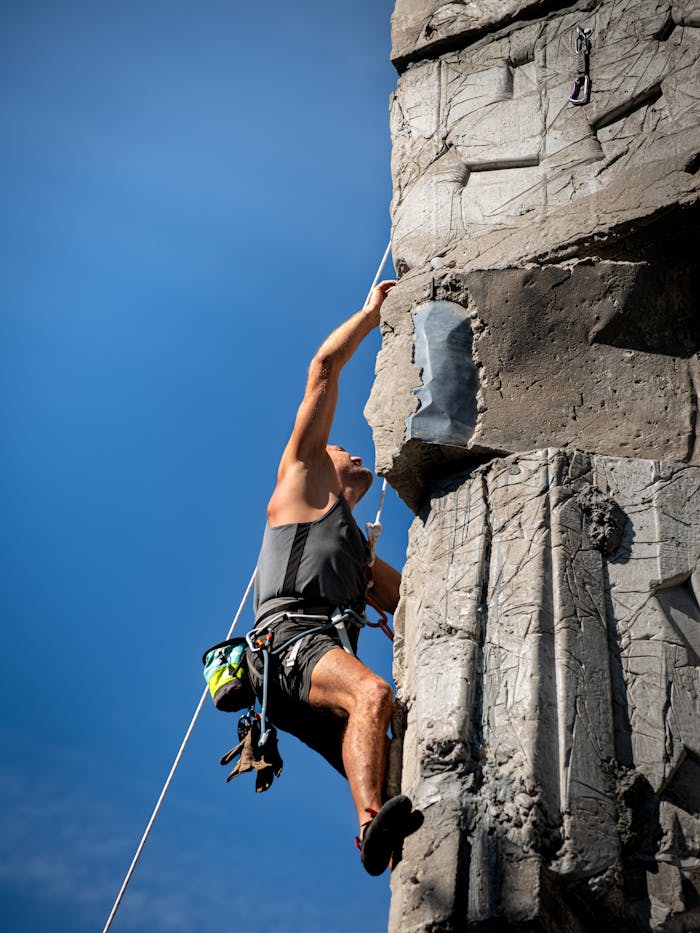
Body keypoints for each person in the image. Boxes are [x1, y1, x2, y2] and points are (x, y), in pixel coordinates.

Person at [245, 279, 417, 876]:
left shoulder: (357, 552)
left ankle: (391, 846)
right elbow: (323, 368)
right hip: (289, 642)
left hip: (302, 672)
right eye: (344, 448)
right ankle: (370, 824)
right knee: (373, 693)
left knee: (394, 750)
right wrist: (372, 316)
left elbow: (410, 601)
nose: (352, 453)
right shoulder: (300, 480)